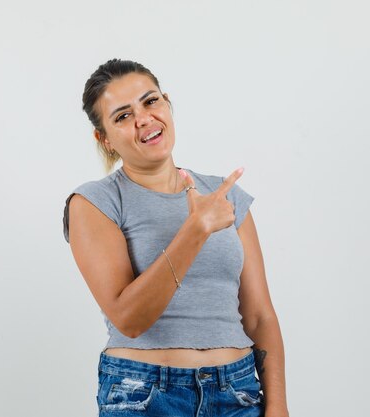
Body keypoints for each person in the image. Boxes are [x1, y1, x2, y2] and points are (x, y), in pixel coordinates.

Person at [63, 59, 289, 417]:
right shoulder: (95, 203)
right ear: (104, 139)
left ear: (167, 103)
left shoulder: (223, 195)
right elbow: (130, 319)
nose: (143, 119)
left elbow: (260, 316)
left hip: (239, 392)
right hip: (144, 394)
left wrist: (278, 406)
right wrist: (195, 230)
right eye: (122, 116)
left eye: (150, 101)